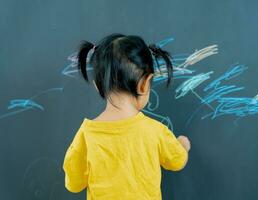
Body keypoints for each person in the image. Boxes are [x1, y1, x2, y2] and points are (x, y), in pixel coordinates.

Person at [62, 33, 191, 200]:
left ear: (97, 86)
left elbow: (73, 184)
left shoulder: (86, 135)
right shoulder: (155, 131)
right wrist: (182, 145)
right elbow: (177, 160)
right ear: (144, 84)